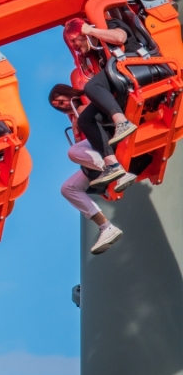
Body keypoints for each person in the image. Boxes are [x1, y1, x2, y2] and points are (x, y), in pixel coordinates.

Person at [49, 84, 135, 254]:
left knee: (74, 152)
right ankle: (106, 227)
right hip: (98, 154)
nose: (62, 106)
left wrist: (79, 115)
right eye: (57, 107)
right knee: (68, 188)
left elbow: (96, 114)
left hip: (109, 136)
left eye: (60, 101)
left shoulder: (88, 101)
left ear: (67, 94)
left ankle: (115, 170)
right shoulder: (76, 116)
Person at [63, 18, 139, 186]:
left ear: (83, 31)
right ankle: (115, 167)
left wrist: (91, 31)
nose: (75, 45)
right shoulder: (97, 54)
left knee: (92, 86)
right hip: (119, 82)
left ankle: (122, 123)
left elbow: (120, 38)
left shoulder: (108, 27)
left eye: (75, 39)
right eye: (71, 43)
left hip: (135, 65)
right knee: (85, 120)